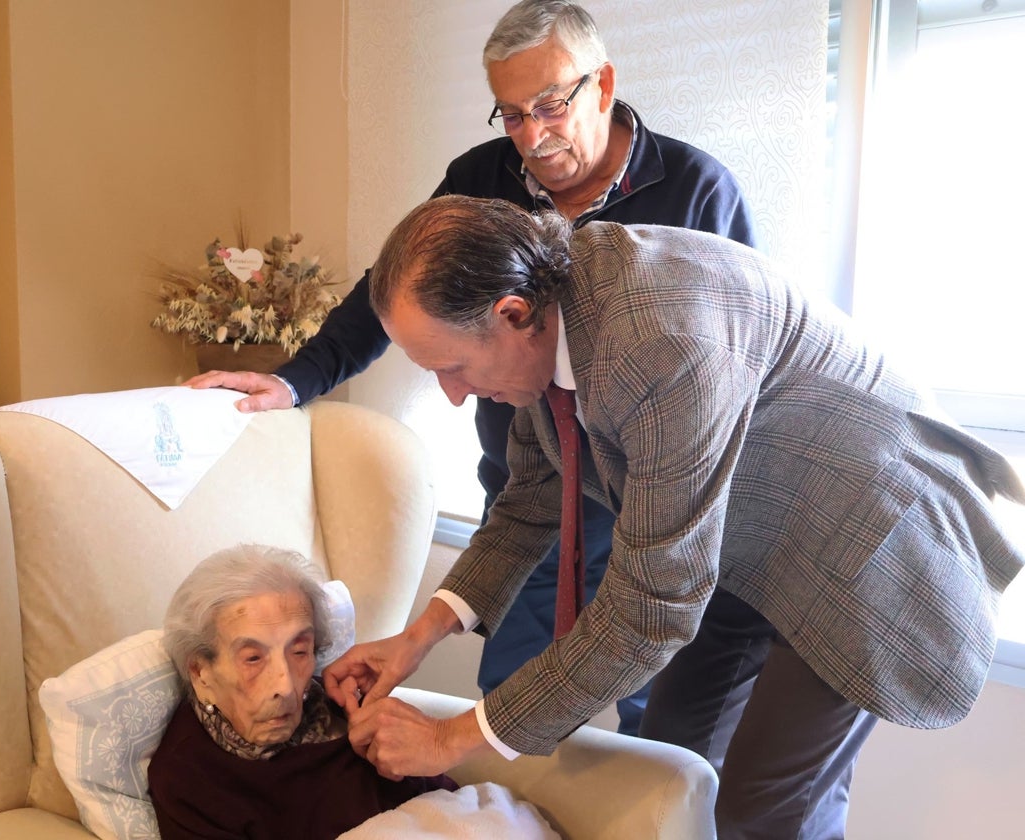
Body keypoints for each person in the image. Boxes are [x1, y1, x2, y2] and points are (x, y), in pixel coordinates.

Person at [322, 195, 1025, 839]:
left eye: (452, 367)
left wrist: (450, 738)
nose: (451, 395)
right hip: (741, 542)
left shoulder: (659, 341)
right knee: (670, 764)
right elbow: (528, 502)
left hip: (868, 550)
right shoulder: (548, 328)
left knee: (765, 811)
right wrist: (415, 640)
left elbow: (650, 611)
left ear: (511, 314)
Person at [186, 0, 759, 736]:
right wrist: (295, 379)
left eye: (549, 106)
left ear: (604, 84)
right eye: (512, 115)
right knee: (512, 715)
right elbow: (391, 293)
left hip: (653, 510)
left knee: (666, 746)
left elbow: (732, 371)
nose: (533, 136)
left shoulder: (696, 188)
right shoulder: (479, 179)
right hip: (533, 494)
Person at [148, 544, 455, 840]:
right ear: (201, 672)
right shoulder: (188, 778)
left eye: (299, 651)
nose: (285, 686)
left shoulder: (344, 705)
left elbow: (446, 799)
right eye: (253, 658)